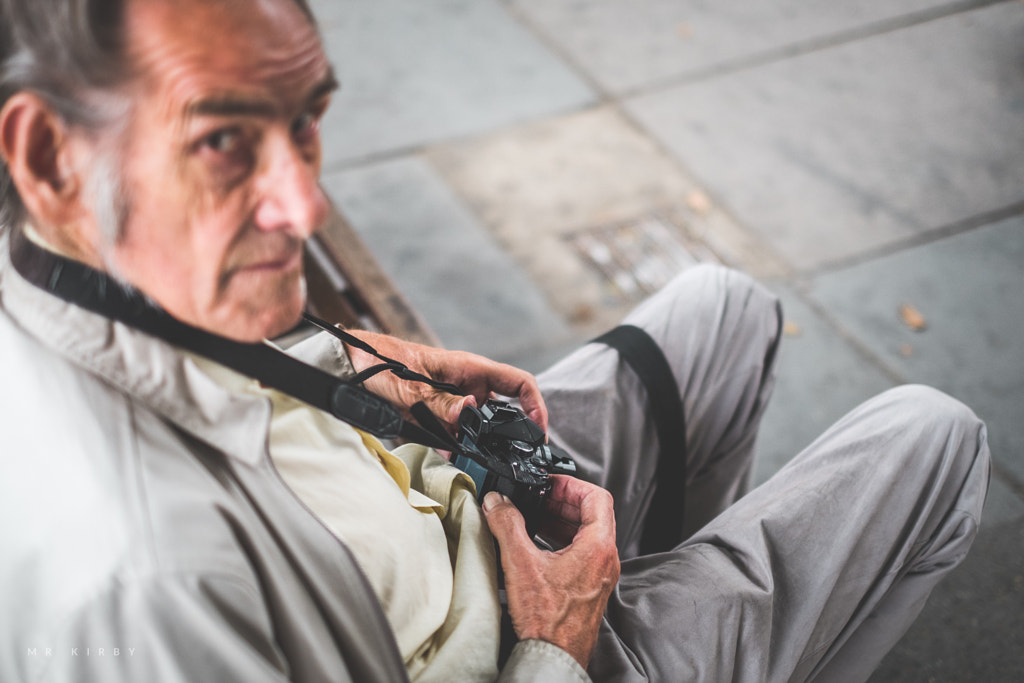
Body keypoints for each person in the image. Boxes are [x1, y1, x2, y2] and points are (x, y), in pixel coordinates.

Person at [0, 0, 990, 681]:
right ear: (46, 155)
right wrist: (558, 641)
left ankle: (652, 588)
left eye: (307, 123)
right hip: (529, 648)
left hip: (451, 509)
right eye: (223, 141)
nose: (306, 204)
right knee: (935, 437)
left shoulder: (49, 263)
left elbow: (188, 364)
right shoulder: (150, 588)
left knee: (726, 305)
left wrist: (341, 362)